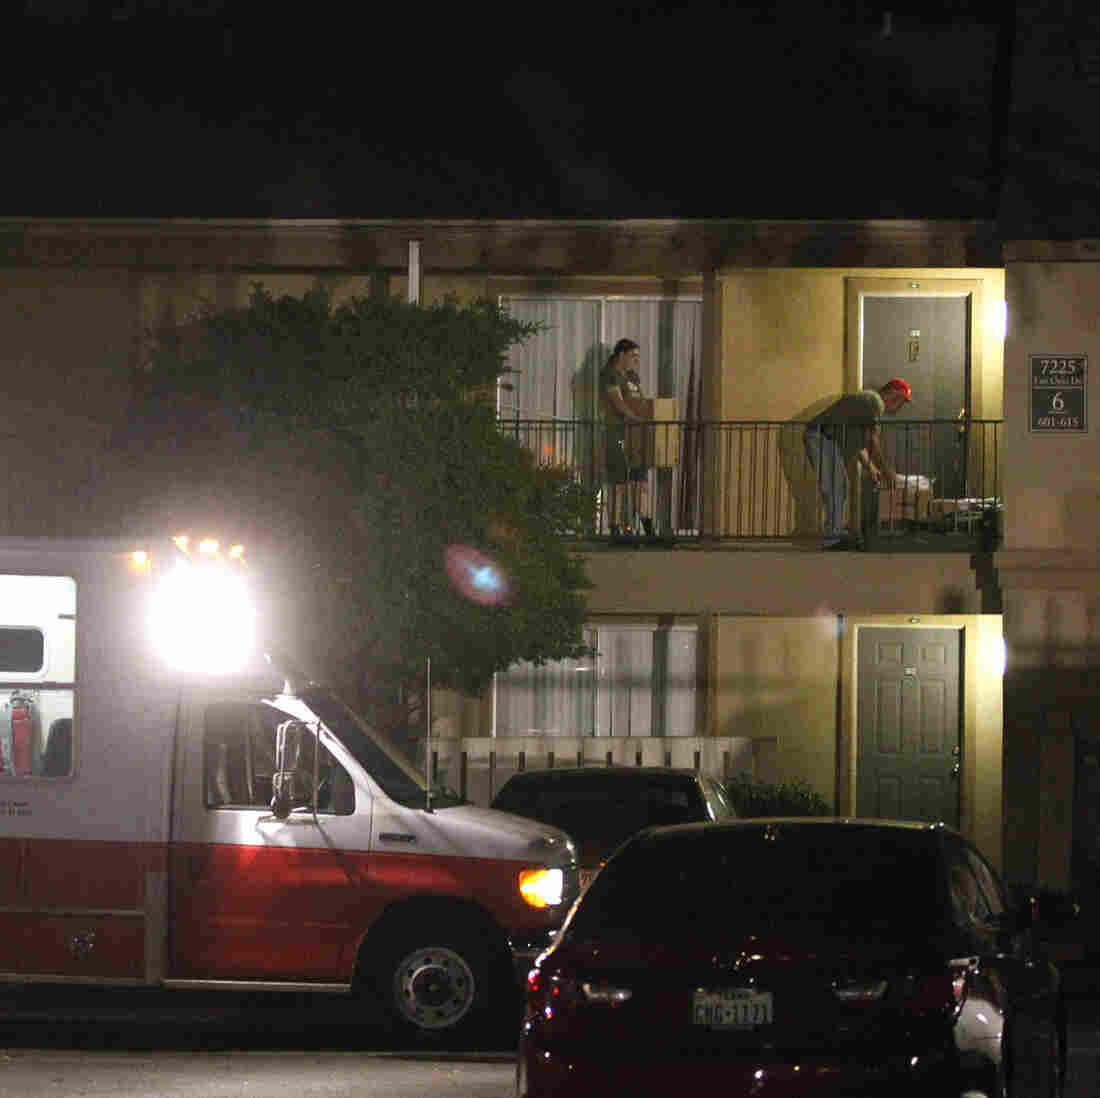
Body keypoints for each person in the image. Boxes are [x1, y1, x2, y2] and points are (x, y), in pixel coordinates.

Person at [803, 377, 912, 549]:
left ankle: (835, 532)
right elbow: (872, 441)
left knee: (840, 486)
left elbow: (861, 442)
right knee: (835, 486)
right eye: (901, 402)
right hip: (822, 437)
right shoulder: (874, 402)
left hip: (825, 438)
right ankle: (832, 537)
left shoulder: (869, 403)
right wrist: (886, 471)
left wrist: (871, 467)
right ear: (893, 395)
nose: (900, 407)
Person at [600, 338, 652, 537]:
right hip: (616, 433)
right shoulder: (610, 374)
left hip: (636, 436)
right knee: (618, 482)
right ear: (621, 354)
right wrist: (636, 418)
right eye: (633, 356)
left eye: (638, 357)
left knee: (641, 481)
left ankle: (647, 525)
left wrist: (646, 418)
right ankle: (615, 527)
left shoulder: (632, 377)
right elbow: (618, 402)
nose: (636, 361)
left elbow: (641, 401)